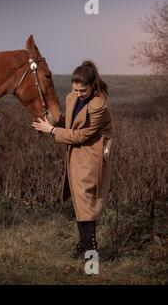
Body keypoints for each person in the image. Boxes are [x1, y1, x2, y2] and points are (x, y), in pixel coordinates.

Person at [32, 60, 113, 258]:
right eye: (75, 89)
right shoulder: (73, 98)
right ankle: (83, 246)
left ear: (92, 86)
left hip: (91, 156)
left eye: (82, 91)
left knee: (86, 203)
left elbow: (82, 134)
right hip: (75, 155)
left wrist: (51, 130)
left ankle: (91, 250)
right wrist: (54, 120)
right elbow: (72, 119)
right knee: (79, 202)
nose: (78, 94)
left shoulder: (99, 106)